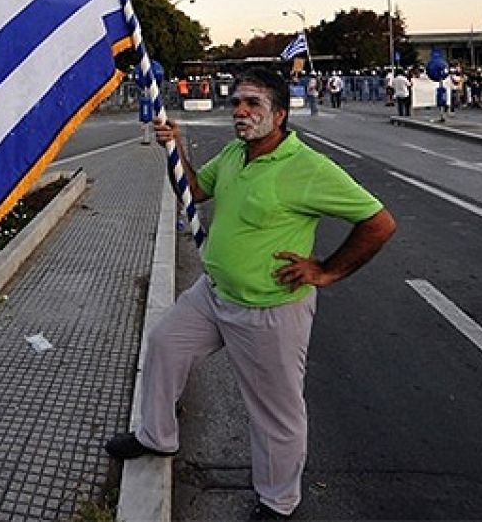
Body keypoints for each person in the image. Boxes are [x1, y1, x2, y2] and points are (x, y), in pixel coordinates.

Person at [103, 68, 396, 519]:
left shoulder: (309, 168)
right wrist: (175, 147)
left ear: (279, 114)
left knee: (275, 414)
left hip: (269, 311)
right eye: (237, 102)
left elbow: (379, 223)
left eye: (253, 103)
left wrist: (327, 271)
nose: (240, 111)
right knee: (163, 345)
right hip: (214, 294)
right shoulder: (236, 153)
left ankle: (279, 502)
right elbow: (197, 191)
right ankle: (156, 438)